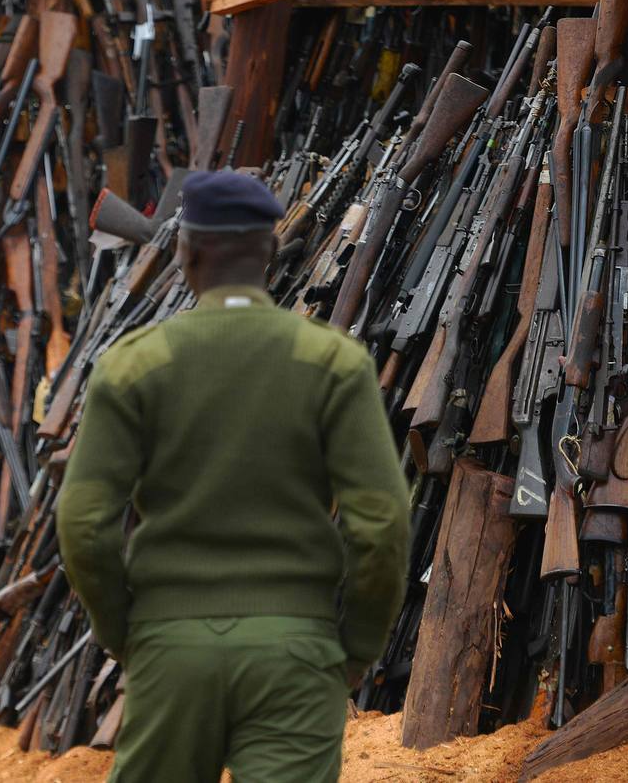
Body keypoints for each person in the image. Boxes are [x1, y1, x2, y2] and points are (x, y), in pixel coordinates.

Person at [57, 171, 410, 782]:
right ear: (272, 253)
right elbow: (381, 524)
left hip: (172, 649)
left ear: (186, 252)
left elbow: (84, 523)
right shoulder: (334, 362)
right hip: (296, 650)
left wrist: (128, 635)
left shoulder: (134, 365)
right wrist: (353, 648)